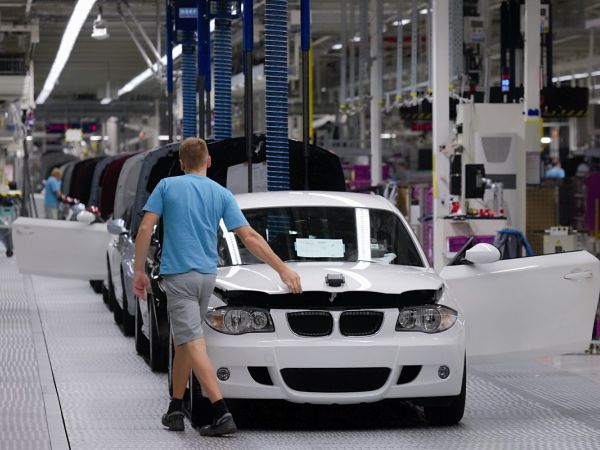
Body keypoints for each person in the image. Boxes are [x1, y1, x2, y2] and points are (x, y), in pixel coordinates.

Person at [132, 137, 302, 436]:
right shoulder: (222, 193)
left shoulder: (167, 186)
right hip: (207, 277)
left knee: (192, 341)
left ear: (182, 163)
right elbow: (249, 237)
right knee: (186, 339)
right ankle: (175, 407)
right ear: (208, 161)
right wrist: (283, 269)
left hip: (179, 276)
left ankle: (221, 410)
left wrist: (138, 271)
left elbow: (146, 227)